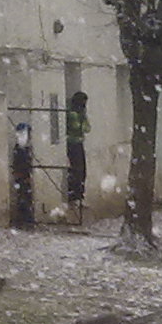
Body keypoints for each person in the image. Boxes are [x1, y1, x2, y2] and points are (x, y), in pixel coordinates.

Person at [64, 89, 90, 224]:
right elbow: (77, 127)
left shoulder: (81, 113)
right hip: (72, 143)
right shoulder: (73, 113)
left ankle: (79, 196)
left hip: (79, 143)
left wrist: (83, 120)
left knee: (82, 170)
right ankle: (73, 196)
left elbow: (87, 128)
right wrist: (81, 121)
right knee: (76, 170)